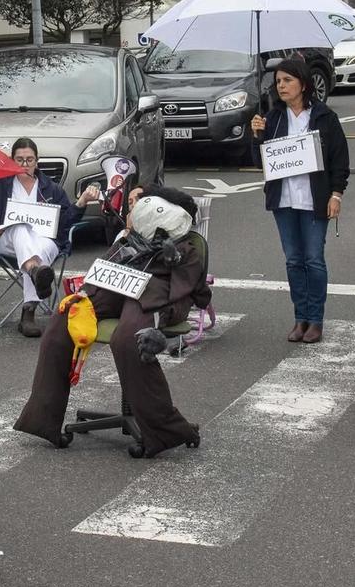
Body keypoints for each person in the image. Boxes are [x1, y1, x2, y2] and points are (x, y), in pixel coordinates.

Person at [15, 186, 211, 457]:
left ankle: (167, 430)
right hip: (115, 290)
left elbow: (194, 293)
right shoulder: (128, 239)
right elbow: (101, 273)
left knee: (130, 340)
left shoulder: (186, 248)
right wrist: (82, 295)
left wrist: (173, 264)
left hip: (151, 298)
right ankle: (43, 421)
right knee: (63, 320)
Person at [250, 57, 348, 343]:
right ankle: (300, 318)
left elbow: (340, 160)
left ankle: (315, 320)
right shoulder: (274, 118)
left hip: (315, 199)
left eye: (287, 80)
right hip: (284, 200)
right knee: (293, 260)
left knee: (313, 259)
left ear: (303, 84)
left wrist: (336, 194)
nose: (281, 86)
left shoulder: (324, 117)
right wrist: (256, 135)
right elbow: (261, 163)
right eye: (278, 81)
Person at [0, 138, 81, 337]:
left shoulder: (51, 189)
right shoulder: (0, 186)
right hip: (6, 240)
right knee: (21, 227)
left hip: (44, 242)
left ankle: (30, 298)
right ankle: (34, 279)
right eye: (19, 159)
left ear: (37, 161)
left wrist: (81, 203)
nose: (24, 164)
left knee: (40, 248)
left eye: (29, 159)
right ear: (12, 161)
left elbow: (64, 223)